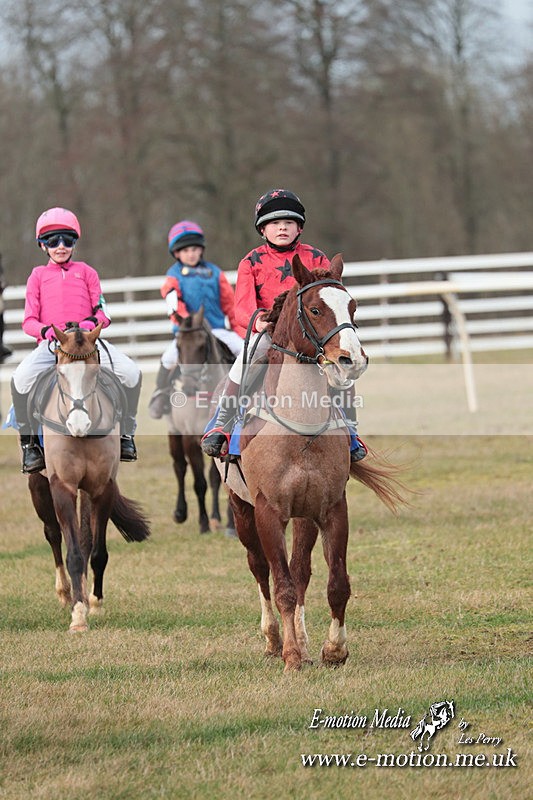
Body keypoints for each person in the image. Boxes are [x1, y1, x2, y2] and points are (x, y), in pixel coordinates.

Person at [201, 188, 367, 461]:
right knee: (248, 357)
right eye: (275, 223)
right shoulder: (250, 262)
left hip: (314, 335)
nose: (282, 228)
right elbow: (241, 307)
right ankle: (222, 423)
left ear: (299, 228)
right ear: (263, 230)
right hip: (271, 332)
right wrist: (258, 323)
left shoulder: (317, 257)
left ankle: (350, 430)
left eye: (288, 223)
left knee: (343, 361)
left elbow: (333, 298)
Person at [11, 207, 142, 473]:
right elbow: (29, 321)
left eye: (67, 240)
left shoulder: (87, 272)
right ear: (42, 246)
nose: (60, 246)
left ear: (74, 243)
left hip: (88, 344)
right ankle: (29, 447)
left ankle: (126, 434)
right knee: (21, 378)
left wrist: (90, 324)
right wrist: (48, 332)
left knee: (131, 371)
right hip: (54, 344)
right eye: (52, 241)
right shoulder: (37, 276)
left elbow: (102, 312)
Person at [148, 220, 243, 419]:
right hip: (188, 333)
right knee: (168, 358)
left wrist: (238, 329)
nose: (190, 254)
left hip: (217, 329)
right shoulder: (173, 275)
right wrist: (187, 322)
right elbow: (174, 304)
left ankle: (247, 391)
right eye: (185, 251)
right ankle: (161, 393)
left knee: (242, 349)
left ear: (201, 250)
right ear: (177, 254)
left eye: (194, 249)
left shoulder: (215, 273)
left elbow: (230, 304)